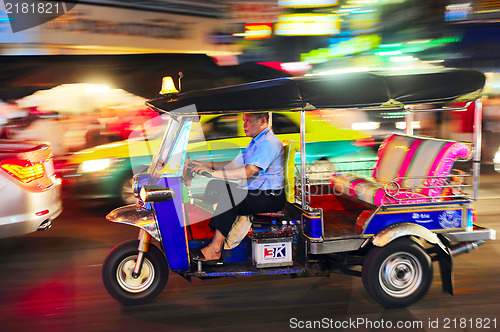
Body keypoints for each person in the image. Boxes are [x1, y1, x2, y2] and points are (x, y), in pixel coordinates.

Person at [189, 112, 285, 262]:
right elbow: (233, 165)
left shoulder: (268, 143)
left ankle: (215, 248)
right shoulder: (256, 142)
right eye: (243, 121)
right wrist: (204, 165)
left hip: (270, 197)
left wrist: (212, 173)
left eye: (248, 121)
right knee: (217, 185)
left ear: (263, 121)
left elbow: (248, 172)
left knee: (231, 194)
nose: (244, 125)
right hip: (257, 192)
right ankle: (211, 232)